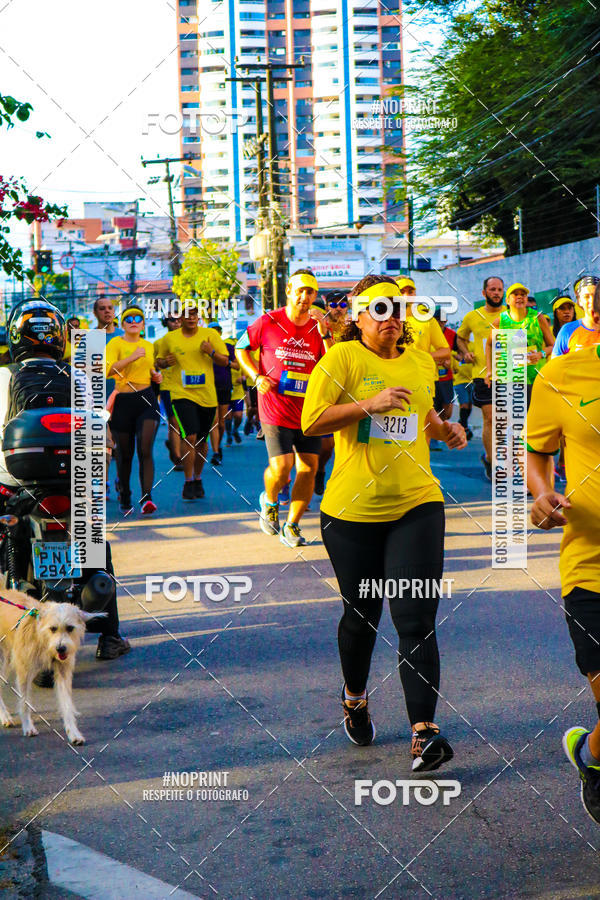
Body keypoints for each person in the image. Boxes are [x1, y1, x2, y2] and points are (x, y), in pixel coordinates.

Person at [302, 274, 466, 770]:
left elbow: (424, 418)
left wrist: (447, 430)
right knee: (362, 616)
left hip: (417, 503)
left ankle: (423, 732)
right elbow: (312, 422)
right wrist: (366, 405)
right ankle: (354, 697)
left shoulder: (419, 361)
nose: (391, 318)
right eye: (379, 309)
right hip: (352, 512)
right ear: (357, 314)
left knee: (415, 615)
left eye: (397, 308)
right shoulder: (342, 360)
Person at [1, 299, 130, 661]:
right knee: (95, 548)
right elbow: (95, 429)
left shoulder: (4, 376)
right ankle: (111, 638)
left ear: (15, 337)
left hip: (15, 483)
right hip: (72, 481)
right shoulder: (77, 376)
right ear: (60, 338)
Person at [526, 285, 600, 823]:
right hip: (591, 565)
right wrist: (540, 495)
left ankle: (592, 755)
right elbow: (537, 454)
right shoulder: (561, 376)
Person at [235, 270, 333, 548]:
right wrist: (257, 376)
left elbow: (332, 361)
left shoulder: (318, 325)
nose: (305, 297)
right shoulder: (268, 321)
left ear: (315, 296)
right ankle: (269, 499)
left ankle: (293, 525)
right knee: (283, 467)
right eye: (300, 290)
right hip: (275, 406)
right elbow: (242, 348)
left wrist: (325, 333)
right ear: (289, 289)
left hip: (309, 408)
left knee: (309, 467)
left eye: (311, 292)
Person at [155, 302, 229, 500]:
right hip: (181, 394)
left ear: (198, 316)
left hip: (207, 396)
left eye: (194, 314)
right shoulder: (169, 339)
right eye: (186, 314)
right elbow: (157, 361)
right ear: (180, 317)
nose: (190, 318)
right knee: (191, 436)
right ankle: (188, 481)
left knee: (202, 441)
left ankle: (198, 478)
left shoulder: (210, 336)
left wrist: (210, 352)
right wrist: (164, 362)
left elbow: (225, 361)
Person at [106, 305, 162, 515]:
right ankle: (126, 495)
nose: (133, 321)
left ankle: (147, 498)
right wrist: (132, 357)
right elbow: (107, 370)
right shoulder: (115, 343)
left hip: (146, 399)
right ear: (123, 324)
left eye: (138, 318)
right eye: (129, 318)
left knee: (145, 450)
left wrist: (157, 377)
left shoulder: (148, 345)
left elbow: (150, 370)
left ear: (143, 324)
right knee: (125, 454)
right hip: (123, 402)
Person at [456, 275, 505, 480]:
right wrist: (465, 352)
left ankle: (498, 458)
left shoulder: (511, 315)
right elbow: (460, 338)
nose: (496, 293)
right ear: (484, 293)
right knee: (491, 418)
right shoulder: (472, 317)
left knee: (508, 421)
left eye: (500, 290)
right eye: (492, 289)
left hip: (511, 373)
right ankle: (494, 465)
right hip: (482, 374)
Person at [397, 277, 451, 450]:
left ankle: (422, 466)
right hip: (395, 378)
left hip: (424, 380)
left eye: (410, 291)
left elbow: (445, 350)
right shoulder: (386, 316)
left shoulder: (426, 317)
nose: (407, 295)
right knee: (397, 429)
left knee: (423, 427)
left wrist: (425, 356)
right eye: (402, 292)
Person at [484, 282, 554, 409]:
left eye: (523, 294)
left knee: (536, 417)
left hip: (535, 376)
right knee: (517, 420)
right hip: (510, 378)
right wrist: (489, 370)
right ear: (507, 300)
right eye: (515, 294)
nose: (520, 297)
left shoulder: (537, 317)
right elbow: (489, 345)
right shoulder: (500, 321)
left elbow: (552, 345)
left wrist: (540, 354)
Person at [207, 322, 240, 465]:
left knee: (221, 422)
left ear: (220, 333)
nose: (215, 333)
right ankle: (215, 451)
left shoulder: (228, 347)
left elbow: (237, 365)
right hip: (208, 387)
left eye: (217, 331)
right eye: (211, 331)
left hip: (224, 386)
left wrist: (225, 362)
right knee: (213, 421)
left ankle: (218, 445)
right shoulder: (203, 348)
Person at [154, 310, 183, 469]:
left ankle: (176, 447)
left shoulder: (190, 340)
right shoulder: (160, 343)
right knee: (174, 422)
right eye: (172, 320)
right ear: (166, 323)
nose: (176, 323)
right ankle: (178, 458)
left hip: (190, 387)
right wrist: (164, 362)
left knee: (186, 424)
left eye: (179, 320)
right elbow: (155, 365)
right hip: (168, 386)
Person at [553, 276, 600, 356]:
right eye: (586, 296)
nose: (591, 300)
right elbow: (555, 365)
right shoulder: (567, 330)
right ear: (579, 301)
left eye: (596, 295)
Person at [225, 333, 245, 445]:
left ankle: (235, 430)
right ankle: (228, 435)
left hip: (238, 391)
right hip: (227, 391)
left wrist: (242, 378)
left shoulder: (241, 359)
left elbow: (246, 373)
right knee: (227, 416)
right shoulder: (223, 360)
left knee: (238, 415)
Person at [452, 340, 474, 440]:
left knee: (469, 405)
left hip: (472, 380)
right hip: (459, 381)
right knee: (464, 404)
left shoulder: (472, 346)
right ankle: (464, 428)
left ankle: (461, 422)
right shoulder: (453, 352)